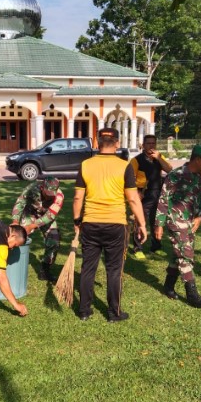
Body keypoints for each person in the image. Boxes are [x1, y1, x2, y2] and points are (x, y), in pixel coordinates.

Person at [73, 127, 147, 323]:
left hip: (90, 223)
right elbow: (132, 199)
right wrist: (142, 224)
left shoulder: (85, 164)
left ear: (97, 143)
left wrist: (76, 221)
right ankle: (114, 313)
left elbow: (78, 196)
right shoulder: (125, 166)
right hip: (116, 225)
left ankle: (84, 310)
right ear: (117, 143)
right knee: (114, 270)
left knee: (88, 267)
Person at [155, 144, 201, 308]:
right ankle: (192, 294)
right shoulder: (176, 175)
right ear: (198, 159)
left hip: (190, 221)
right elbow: (163, 199)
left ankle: (168, 286)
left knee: (178, 253)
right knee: (185, 255)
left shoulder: (200, 177)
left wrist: (200, 216)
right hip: (176, 220)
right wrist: (158, 224)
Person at [10, 176, 64, 282]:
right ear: (42, 187)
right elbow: (20, 203)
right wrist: (15, 221)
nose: (49, 197)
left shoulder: (59, 196)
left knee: (54, 240)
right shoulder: (32, 188)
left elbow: (50, 216)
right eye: (47, 193)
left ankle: (45, 271)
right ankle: (11, 263)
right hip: (30, 213)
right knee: (18, 235)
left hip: (46, 217)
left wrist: (32, 226)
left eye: (51, 195)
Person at [129, 134, 173, 259]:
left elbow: (169, 170)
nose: (151, 146)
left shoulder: (159, 157)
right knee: (139, 220)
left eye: (153, 143)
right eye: (148, 143)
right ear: (143, 145)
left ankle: (156, 246)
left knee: (157, 220)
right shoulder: (136, 160)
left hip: (157, 193)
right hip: (142, 194)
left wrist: (159, 158)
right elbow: (130, 179)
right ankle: (138, 247)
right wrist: (136, 193)